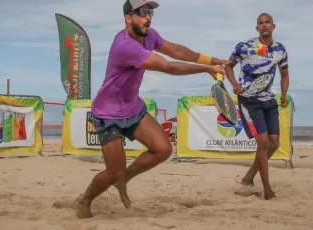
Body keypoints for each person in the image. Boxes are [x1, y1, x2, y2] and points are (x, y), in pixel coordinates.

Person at [76, 0, 229, 219]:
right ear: (128, 17)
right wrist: (205, 69)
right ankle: (86, 200)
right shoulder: (124, 45)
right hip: (107, 114)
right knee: (112, 172)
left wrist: (211, 59)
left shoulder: (150, 35)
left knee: (163, 149)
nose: (148, 17)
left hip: (132, 108)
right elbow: (167, 66)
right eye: (143, 12)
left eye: (150, 13)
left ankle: (124, 178)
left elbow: (175, 50)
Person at [224, 13, 289, 200]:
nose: (264, 25)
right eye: (261, 23)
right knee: (263, 141)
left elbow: (284, 74)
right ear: (257, 28)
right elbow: (228, 66)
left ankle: (249, 177)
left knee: (274, 143)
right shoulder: (243, 47)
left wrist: (283, 94)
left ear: (273, 26)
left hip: (269, 100)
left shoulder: (280, 50)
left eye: (267, 22)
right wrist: (235, 85)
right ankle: (267, 188)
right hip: (249, 99)